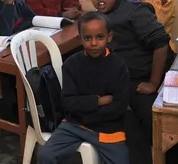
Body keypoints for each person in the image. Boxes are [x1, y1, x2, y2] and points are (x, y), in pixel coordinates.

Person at [88, 0, 178, 164]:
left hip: (149, 74)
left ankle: (173, 158)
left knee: (154, 119)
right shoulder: (101, 16)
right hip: (127, 74)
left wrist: (153, 83)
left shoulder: (134, 11)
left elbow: (161, 43)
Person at [37, 11, 130, 164]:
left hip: (108, 129)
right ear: (80, 38)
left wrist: (84, 107)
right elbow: (68, 102)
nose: (93, 43)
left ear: (109, 36)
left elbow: (119, 107)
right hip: (74, 125)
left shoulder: (119, 66)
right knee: (45, 156)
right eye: (87, 38)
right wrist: (98, 101)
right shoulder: (71, 64)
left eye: (100, 37)